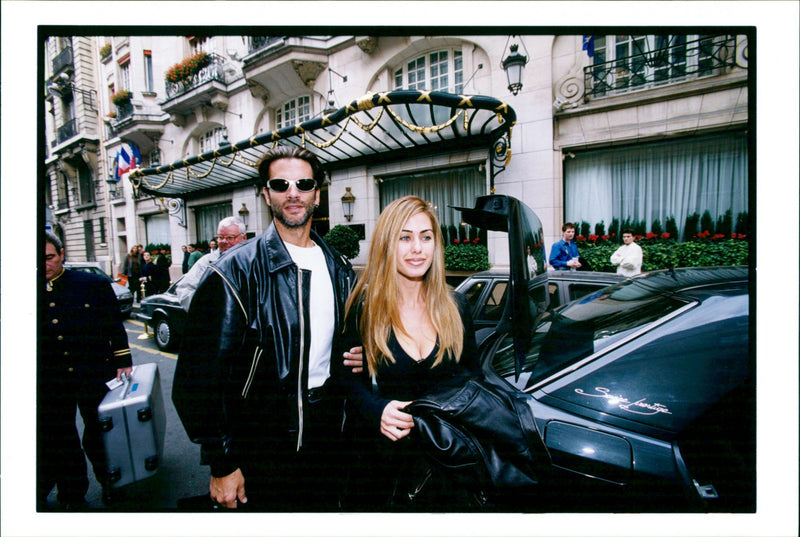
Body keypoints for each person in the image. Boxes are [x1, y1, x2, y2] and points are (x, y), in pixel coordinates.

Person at [172, 146, 363, 511]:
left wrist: (360, 353)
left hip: (329, 439)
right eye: (281, 184)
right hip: (262, 445)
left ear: (317, 195)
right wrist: (223, 461)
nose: (293, 192)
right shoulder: (234, 273)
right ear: (266, 194)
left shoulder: (339, 269)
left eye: (303, 183)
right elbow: (197, 380)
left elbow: (341, 346)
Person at [333, 195, 481, 511]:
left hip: (442, 466)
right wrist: (376, 410)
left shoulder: (456, 307)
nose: (417, 248)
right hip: (378, 469)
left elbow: (473, 378)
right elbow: (344, 377)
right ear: (388, 244)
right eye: (405, 237)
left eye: (425, 237)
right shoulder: (364, 307)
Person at [40, 232, 133, 510]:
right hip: (51, 379)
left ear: (61, 254)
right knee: (60, 440)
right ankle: (72, 494)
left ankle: (111, 484)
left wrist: (122, 360)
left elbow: (114, 325)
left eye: (49, 257)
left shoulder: (91, 284)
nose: (45, 264)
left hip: (93, 372)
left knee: (99, 434)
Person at [175, 216, 247, 311]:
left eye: (230, 237)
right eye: (220, 237)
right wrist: (208, 310)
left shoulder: (254, 260)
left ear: (244, 238)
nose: (224, 241)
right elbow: (184, 290)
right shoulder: (206, 262)